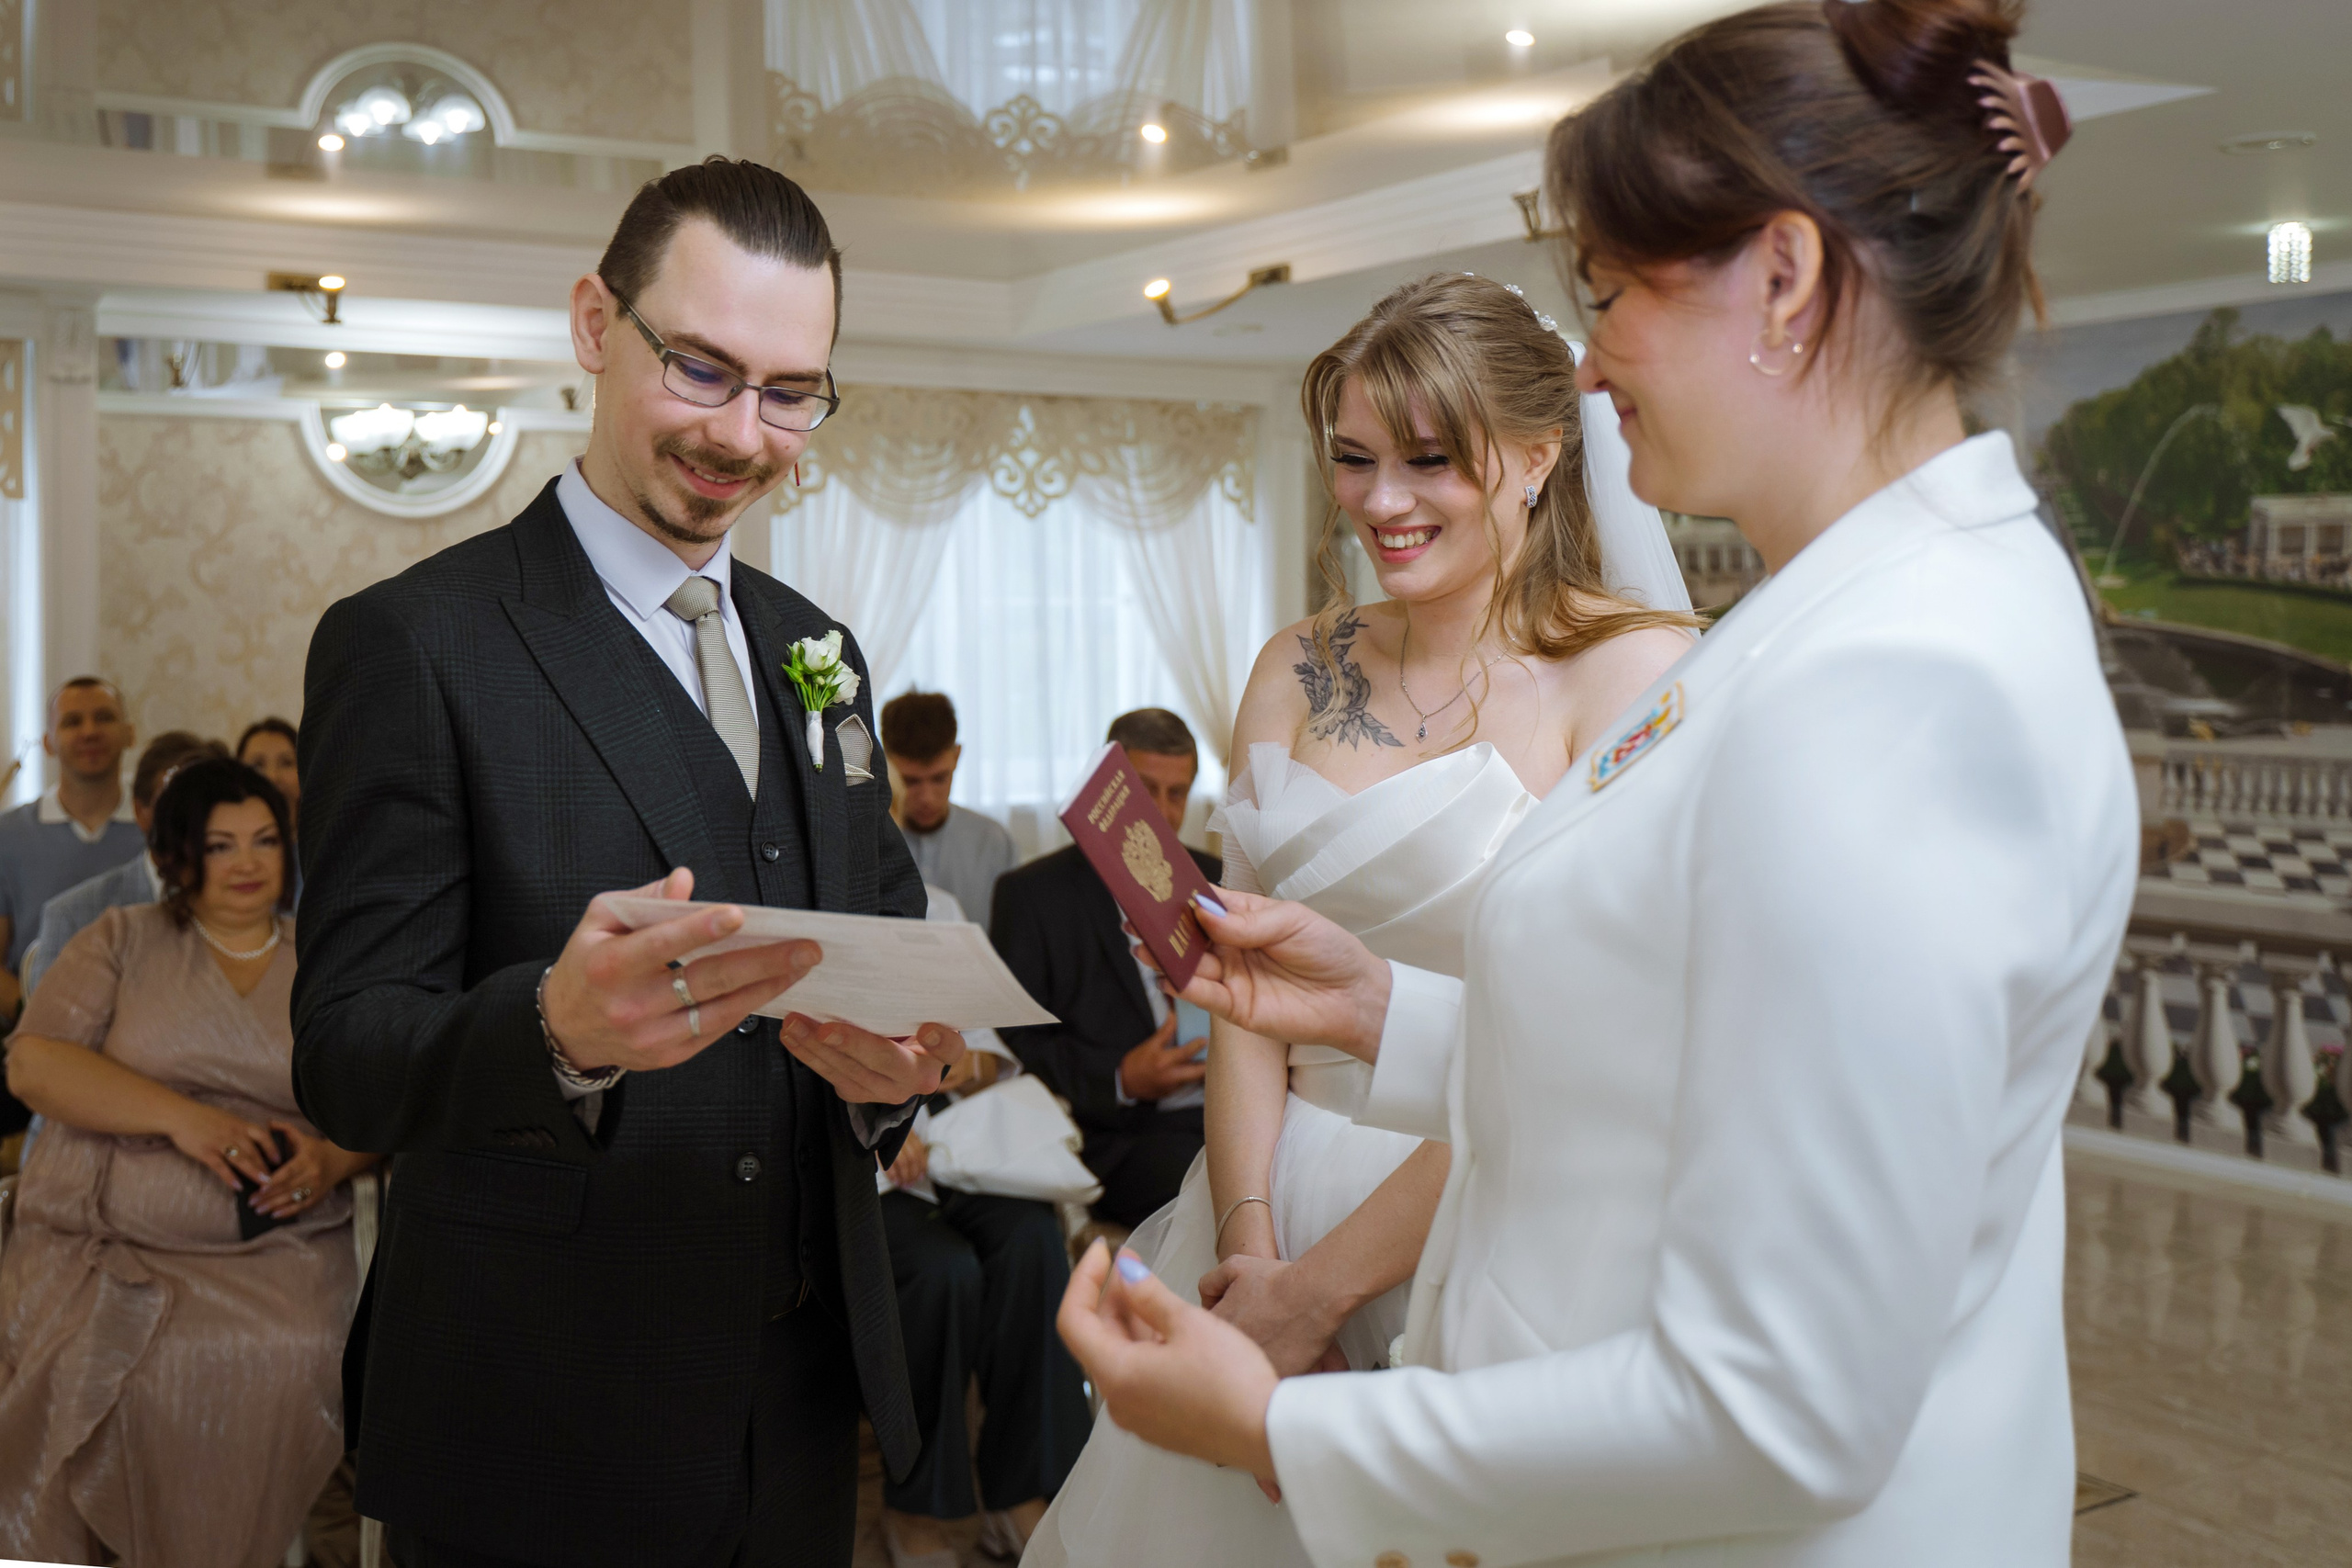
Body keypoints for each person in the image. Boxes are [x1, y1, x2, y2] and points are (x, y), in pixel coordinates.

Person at [1057, 6, 2134, 1567]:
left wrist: (1277, 1424)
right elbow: (1689, 1053)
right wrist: (1381, 1009)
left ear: (1785, 277)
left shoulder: (1905, 685)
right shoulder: (1824, 623)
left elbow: (1786, 1404)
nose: (1597, 356)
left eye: (1615, 291)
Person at [292, 157, 962, 1568]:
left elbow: (890, 948)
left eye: (792, 392)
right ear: (598, 324)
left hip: (794, 1403)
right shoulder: (417, 642)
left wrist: (902, 1071)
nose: (744, 435)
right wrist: (552, 1026)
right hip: (534, 1404)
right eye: (704, 370)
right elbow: (348, 1054)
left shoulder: (819, 651)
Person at [1024, 275, 1694, 1568]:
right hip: (1253, 1183)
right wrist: (1250, 1248)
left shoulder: (1634, 673)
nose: (1384, 501)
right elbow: (1241, 986)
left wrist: (1322, 1289)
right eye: (1355, 458)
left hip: (1490, 1198)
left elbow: (1605, 1047)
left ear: (1541, 456)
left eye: (1431, 460)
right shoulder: (1293, 666)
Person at [0, 757, 377, 1567]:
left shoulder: (326, 958)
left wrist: (330, 1160)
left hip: (282, 1250)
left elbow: (385, 1102)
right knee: (92, 1368)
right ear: (177, 854)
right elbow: (33, 1065)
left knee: (281, 1357)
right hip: (108, 1244)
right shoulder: (121, 940)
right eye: (220, 844)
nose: (247, 863)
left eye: (266, 840)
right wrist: (185, 1121)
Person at [875, 896, 1091, 1567]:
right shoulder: (796, 899)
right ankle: (917, 1505)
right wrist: (879, 1125)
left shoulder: (934, 905)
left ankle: (1023, 1490)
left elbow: (998, 1053)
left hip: (957, 1149)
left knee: (1031, 1238)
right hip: (863, 1161)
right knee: (943, 1271)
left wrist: (966, 1065)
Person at [991, 710, 1220, 1231]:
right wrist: (1121, 1078)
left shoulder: (1215, 878)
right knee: (1216, 1193)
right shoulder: (1031, 896)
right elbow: (1016, 1042)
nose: (1162, 814)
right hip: (1123, 1135)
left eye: (1177, 794)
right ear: (1108, 790)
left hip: (1227, 1108)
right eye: (1146, 792)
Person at [19, 730, 225, 998]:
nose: (189, 820)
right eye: (172, 804)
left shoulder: (257, 901)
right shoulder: (73, 916)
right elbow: (44, 1033)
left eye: (205, 805)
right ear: (141, 812)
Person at [0, 678, 141, 1022]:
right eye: (72, 721)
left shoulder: (161, 830)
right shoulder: (8, 835)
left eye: (104, 718)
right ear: (48, 743)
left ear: (129, 734)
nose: (89, 732)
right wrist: (38, 1018)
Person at [882, 691, 1017, 934]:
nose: (927, 797)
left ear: (957, 756)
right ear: (885, 763)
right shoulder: (867, 844)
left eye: (939, 778)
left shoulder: (995, 843)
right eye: (911, 781)